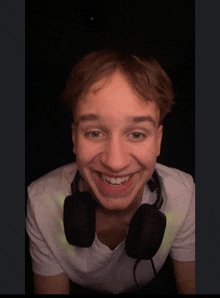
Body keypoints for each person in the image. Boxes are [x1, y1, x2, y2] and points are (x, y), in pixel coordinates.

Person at [26, 49, 195, 294]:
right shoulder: (41, 200)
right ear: (75, 138)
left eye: (136, 134)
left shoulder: (184, 193)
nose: (115, 162)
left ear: (158, 141)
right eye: (94, 133)